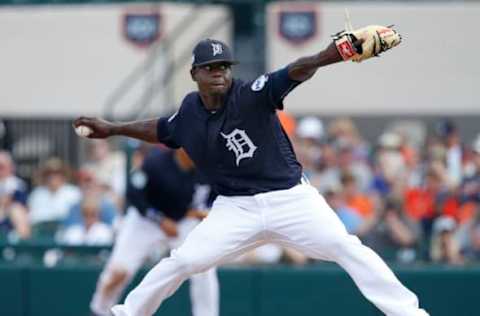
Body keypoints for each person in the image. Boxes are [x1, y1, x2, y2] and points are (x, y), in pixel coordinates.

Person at [75, 35, 429, 316]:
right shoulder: (188, 112)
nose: (219, 73)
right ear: (194, 73)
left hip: (291, 199)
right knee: (184, 260)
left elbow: (296, 69)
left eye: (224, 66)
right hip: (236, 209)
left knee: (346, 247)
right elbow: (161, 128)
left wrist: (331, 54)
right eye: (211, 67)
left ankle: (409, 314)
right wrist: (113, 128)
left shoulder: (251, 94)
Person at [89, 147, 219, 316]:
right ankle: (99, 311)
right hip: (145, 221)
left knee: (204, 267)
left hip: (181, 222)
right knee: (120, 269)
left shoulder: (207, 168)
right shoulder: (155, 162)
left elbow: (211, 198)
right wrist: (159, 219)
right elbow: (133, 192)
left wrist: (201, 212)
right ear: (181, 146)